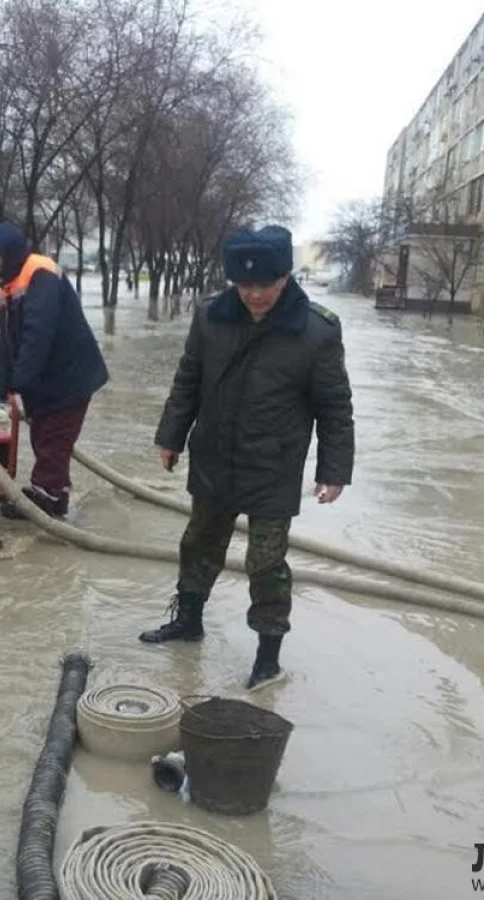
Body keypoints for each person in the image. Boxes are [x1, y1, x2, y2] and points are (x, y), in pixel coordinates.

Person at [140, 225, 355, 691]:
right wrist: (170, 437)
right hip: (215, 455)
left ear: (285, 277)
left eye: (266, 284)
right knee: (198, 542)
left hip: (273, 466)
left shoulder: (317, 331)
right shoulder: (210, 318)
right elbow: (188, 381)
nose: (255, 294)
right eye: (246, 285)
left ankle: (267, 657)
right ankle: (188, 622)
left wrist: (334, 470)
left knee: (265, 562)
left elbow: (334, 407)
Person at [0, 222, 109, 519]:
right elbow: (6, 338)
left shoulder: (41, 273)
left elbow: (39, 333)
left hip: (70, 377)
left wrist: (22, 378)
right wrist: (4, 380)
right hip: (46, 381)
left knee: (53, 439)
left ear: (9, 252)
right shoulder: (6, 284)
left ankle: (47, 499)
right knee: (42, 434)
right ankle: (54, 494)